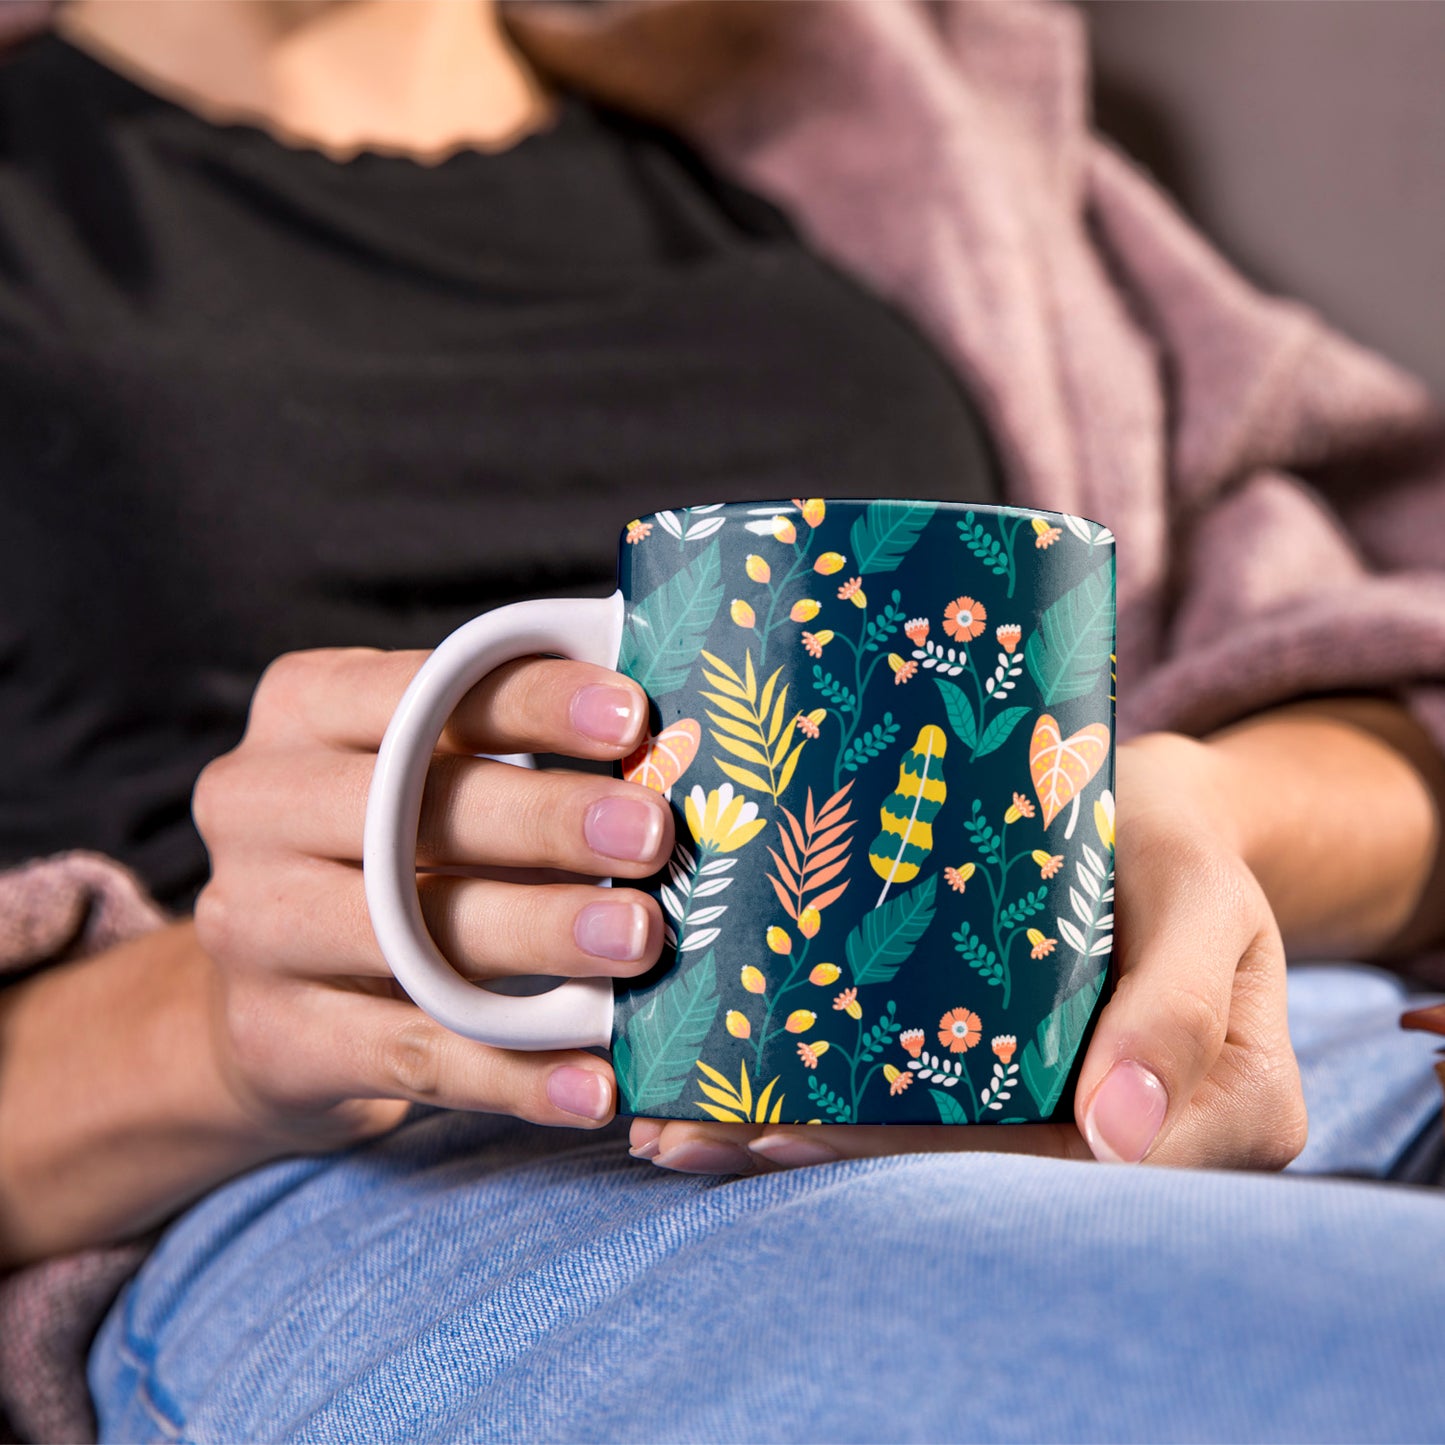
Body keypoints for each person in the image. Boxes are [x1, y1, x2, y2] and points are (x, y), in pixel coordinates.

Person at [0, 2, 1442, 1440]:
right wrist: (215, 1028)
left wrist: (1175, 810)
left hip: (1260, 1057)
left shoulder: (895, 119)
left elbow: (1387, 687)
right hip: (460, 1186)